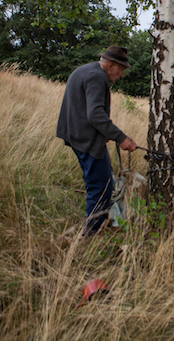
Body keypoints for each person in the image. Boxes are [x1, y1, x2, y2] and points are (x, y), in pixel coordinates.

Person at [56, 46, 138, 235]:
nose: (122, 75)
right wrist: (121, 138)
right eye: (122, 69)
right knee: (101, 186)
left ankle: (97, 223)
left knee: (102, 179)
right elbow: (95, 114)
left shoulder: (87, 70)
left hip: (78, 134)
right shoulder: (96, 77)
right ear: (110, 65)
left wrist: (107, 132)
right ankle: (91, 232)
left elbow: (85, 109)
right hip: (86, 139)